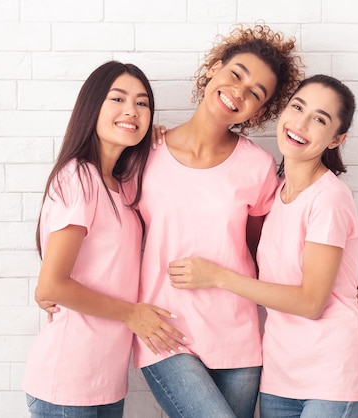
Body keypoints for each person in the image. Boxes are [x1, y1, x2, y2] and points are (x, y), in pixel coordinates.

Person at [168, 75, 358, 417]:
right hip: (280, 377)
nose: (301, 123)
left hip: (332, 377)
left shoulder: (329, 198)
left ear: (337, 138)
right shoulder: (276, 194)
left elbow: (311, 303)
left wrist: (218, 277)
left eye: (320, 119)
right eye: (297, 107)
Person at [134, 24, 303, 418]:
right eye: (236, 75)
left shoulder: (258, 167)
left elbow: (268, 250)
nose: (239, 92)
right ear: (213, 68)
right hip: (164, 331)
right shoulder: (144, 154)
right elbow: (114, 231)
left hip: (237, 338)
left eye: (255, 94)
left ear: (259, 112)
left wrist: (335, 278)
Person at [22, 61, 185, 418]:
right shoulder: (78, 177)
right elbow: (53, 284)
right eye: (118, 99)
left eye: (142, 103)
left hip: (106, 383)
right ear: (92, 107)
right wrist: (133, 314)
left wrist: (159, 137)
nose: (132, 110)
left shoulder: (123, 184)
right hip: (66, 383)